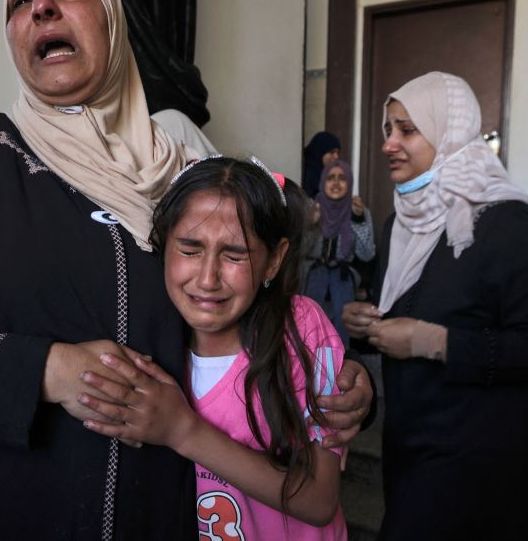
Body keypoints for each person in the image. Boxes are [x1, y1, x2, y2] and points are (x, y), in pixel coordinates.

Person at [0, 0, 374, 540]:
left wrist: (344, 388)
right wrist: (46, 370)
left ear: (112, 20)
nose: (41, 8)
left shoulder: (186, 178)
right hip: (1, 513)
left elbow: (261, 319)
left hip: (162, 515)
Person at [342, 72, 528, 540]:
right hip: (412, 439)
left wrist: (434, 343)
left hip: (480, 451)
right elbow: (406, 306)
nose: (389, 143)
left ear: (448, 131)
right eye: (388, 129)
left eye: (407, 130)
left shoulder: (506, 222)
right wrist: (364, 323)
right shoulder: (399, 223)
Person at [77, 156, 348, 538]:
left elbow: (320, 501)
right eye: (189, 249)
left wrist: (182, 430)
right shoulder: (144, 334)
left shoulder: (302, 330)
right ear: (162, 245)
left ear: (274, 260)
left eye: (234, 254)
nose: (207, 279)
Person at [304, 159, 375, 346]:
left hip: (342, 280)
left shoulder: (358, 210)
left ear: (349, 183)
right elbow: (297, 250)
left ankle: (339, 364)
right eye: (330, 178)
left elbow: (367, 254)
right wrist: (310, 224)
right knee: (308, 325)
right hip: (311, 276)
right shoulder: (311, 208)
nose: (336, 183)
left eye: (342, 178)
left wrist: (358, 220)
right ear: (322, 181)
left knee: (340, 331)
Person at [302, 131, 341, 198]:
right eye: (332, 152)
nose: (336, 156)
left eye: (338, 152)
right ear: (320, 152)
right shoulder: (306, 173)